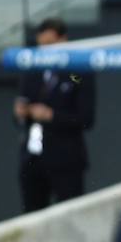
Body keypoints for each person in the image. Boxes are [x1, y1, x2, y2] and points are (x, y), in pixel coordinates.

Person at [14, 18, 95, 212]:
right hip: (32, 159)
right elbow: (20, 112)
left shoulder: (79, 72)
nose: (45, 51)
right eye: (42, 46)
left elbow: (86, 118)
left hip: (66, 160)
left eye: (50, 45)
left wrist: (52, 115)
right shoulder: (32, 71)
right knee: (31, 217)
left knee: (70, 215)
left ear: (63, 40)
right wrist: (19, 113)